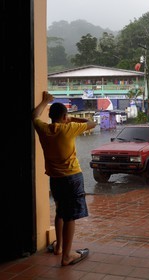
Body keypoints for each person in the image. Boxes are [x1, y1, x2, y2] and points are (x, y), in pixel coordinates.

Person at [32, 91, 97, 266]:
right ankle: (66, 256)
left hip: (55, 178)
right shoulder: (69, 128)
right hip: (72, 177)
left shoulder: (44, 129)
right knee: (70, 217)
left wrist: (45, 101)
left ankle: (60, 247)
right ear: (64, 116)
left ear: (51, 116)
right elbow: (93, 123)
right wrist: (72, 120)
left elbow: (34, 115)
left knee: (61, 211)